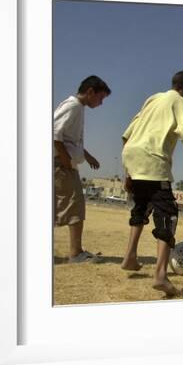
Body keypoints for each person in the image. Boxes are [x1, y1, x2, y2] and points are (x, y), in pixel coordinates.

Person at [120, 70, 183, 297]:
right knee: (168, 214)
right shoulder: (180, 101)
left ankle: (130, 257)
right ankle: (160, 275)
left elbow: (127, 135)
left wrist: (128, 172)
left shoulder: (153, 98)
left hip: (132, 157)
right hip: (153, 159)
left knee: (141, 207)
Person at [53, 75, 111, 263]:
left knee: (57, 207)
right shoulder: (74, 106)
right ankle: (76, 253)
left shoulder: (76, 107)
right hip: (61, 165)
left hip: (62, 164)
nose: (101, 103)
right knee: (75, 204)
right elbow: (55, 134)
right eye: (100, 98)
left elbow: (70, 139)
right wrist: (67, 161)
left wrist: (86, 155)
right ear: (90, 92)